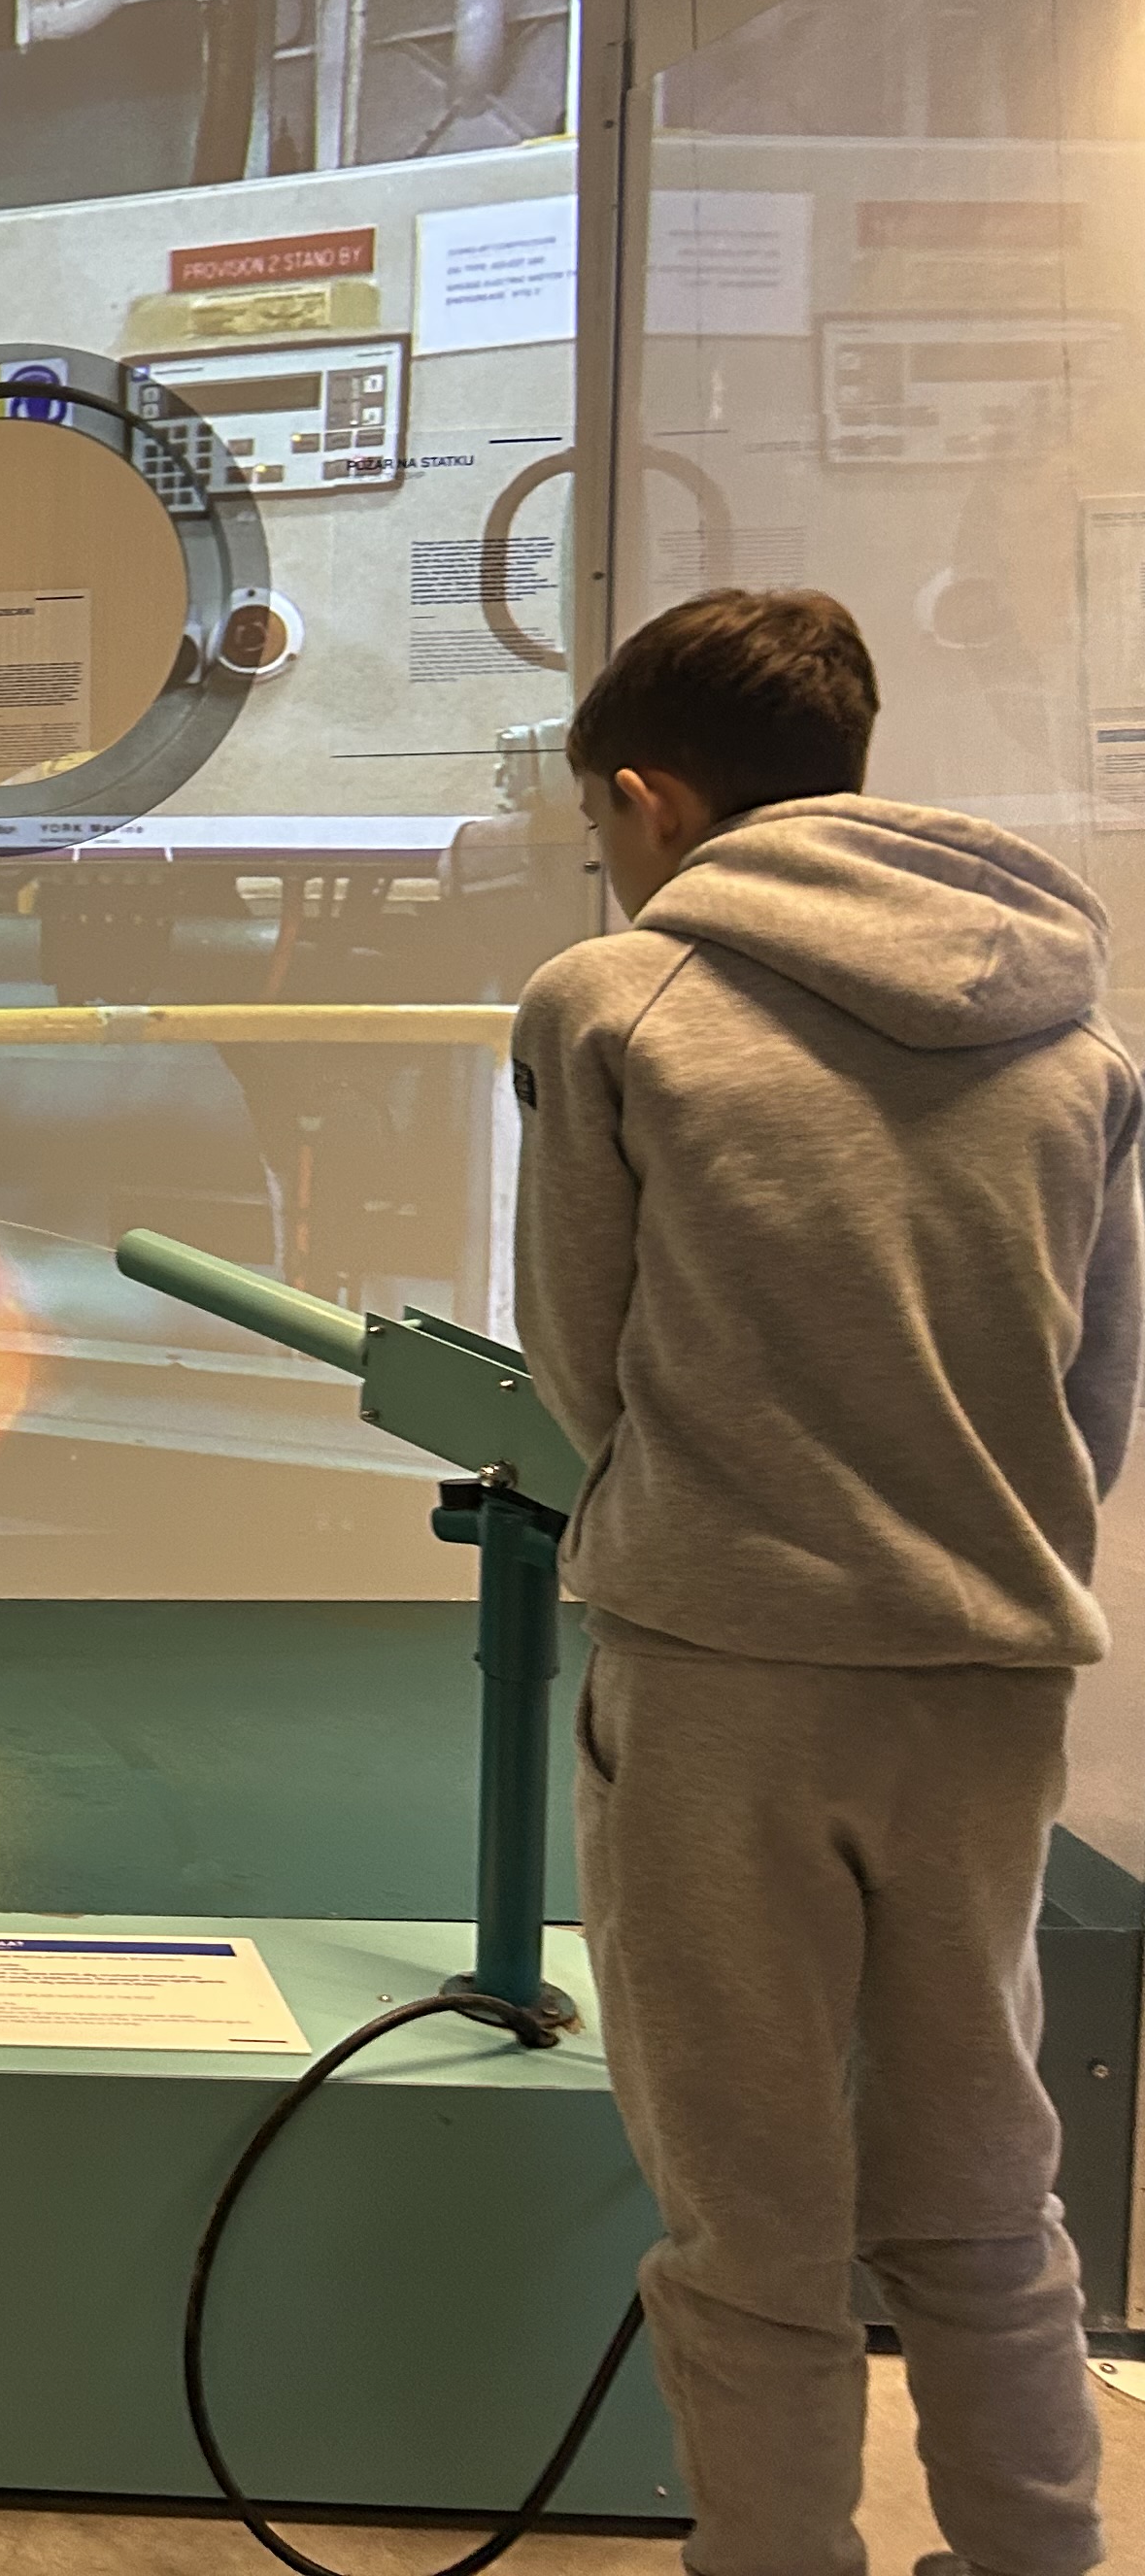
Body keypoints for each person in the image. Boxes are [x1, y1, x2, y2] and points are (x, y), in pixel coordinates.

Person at [514, 586, 1138, 2576]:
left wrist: (712, 1505)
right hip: (991, 1679)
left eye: (599, 828)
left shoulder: (613, 1006)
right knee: (984, 2180)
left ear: (647, 797)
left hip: (725, 1673)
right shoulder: (1075, 1034)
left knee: (753, 2207)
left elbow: (582, 1361)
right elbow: (1094, 1396)